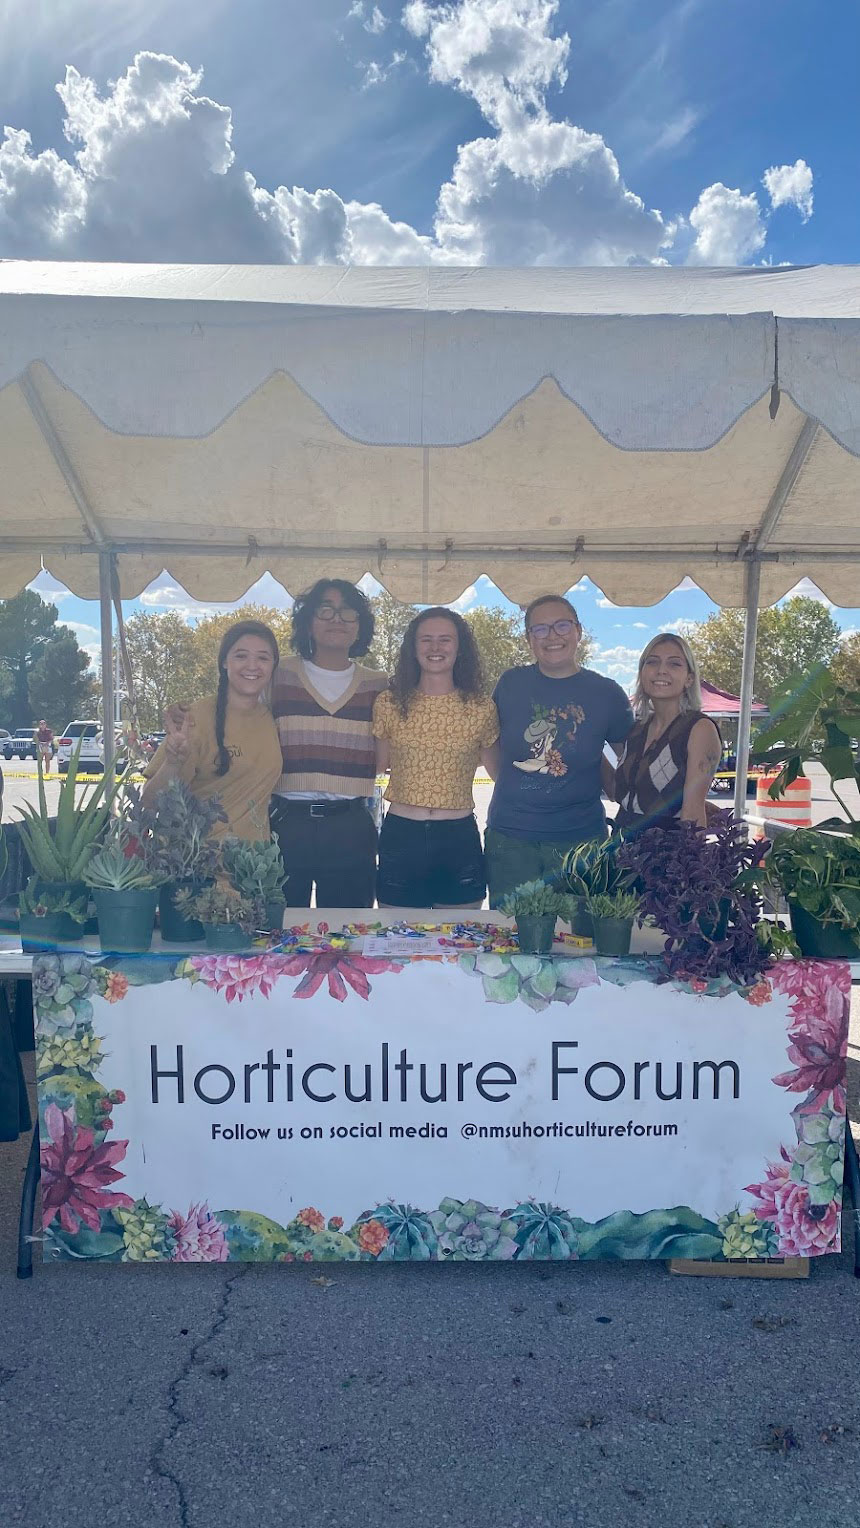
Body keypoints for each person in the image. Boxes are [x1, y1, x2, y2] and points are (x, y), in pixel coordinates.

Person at [485, 594, 634, 906]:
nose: (552, 636)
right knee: (511, 941)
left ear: (579, 631)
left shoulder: (607, 693)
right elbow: (491, 745)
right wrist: (519, 789)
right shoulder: (510, 684)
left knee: (579, 941)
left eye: (561, 626)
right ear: (529, 639)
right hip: (511, 842)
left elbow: (629, 760)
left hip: (581, 845)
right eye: (540, 629)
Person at [269, 579, 387, 907]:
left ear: (360, 626)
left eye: (347, 612)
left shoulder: (379, 685)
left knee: (349, 936)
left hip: (351, 826)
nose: (337, 619)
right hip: (285, 825)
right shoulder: (277, 675)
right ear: (307, 622)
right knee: (277, 935)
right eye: (325, 609)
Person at [373, 608, 499, 908]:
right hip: (401, 836)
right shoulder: (388, 703)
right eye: (426, 639)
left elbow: (499, 774)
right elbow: (378, 766)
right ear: (412, 648)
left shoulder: (482, 707)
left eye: (445, 639)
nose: (435, 647)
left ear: (460, 648)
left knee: (461, 942)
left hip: (458, 838)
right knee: (396, 940)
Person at [142, 621, 282, 842]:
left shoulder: (272, 716)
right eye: (241, 656)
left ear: (274, 665)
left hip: (253, 869)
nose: (252, 665)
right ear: (225, 662)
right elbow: (149, 802)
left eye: (263, 658)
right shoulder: (194, 719)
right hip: (196, 870)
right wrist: (172, 763)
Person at [611, 633, 721, 833]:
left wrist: (690, 861)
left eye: (674, 664)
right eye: (652, 662)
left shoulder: (699, 729)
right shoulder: (636, 729)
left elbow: (693, 812)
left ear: (689, 679)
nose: (661, 670)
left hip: (666, 856)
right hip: (620, 850)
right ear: (642, 673)